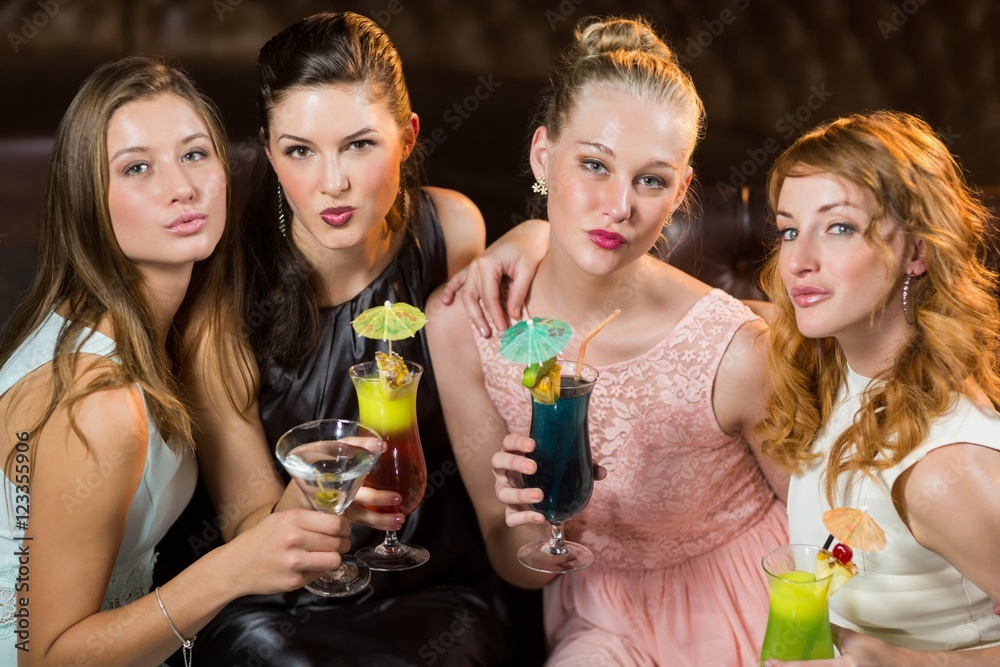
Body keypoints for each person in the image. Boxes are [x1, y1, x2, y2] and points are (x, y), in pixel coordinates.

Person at [180, 11, 547, 665]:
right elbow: (248, 530)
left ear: (407, 139)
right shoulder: (227, 297)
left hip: (436, 583)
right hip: (281, 601)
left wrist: (534, 234)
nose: (333, 183)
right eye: (300, 150)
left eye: (358, 144)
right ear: (269, 151)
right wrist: (323, 497)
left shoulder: (453, 234)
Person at [427, 16, 789, 666]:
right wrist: (534, 529)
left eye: (651, 180)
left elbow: (823, 524)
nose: (619, 205)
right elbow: (514, 564)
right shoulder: (464, 324)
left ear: (680, 190)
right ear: (544, 156)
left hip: (750, 602)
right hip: (598, 618)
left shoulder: (735, 352)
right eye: (594, 164)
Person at [0, 55, 357, 667]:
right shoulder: (98, 403)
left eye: (195, 154)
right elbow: (42, 659)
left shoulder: (183, 329)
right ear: (88, 198)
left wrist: (324, 493)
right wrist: (229, 573)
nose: (182, 187)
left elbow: (252, 518)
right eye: (137, 167)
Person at [756, 110, 1000, 665]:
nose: (797, 261)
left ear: (916, 251)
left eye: (839, 227)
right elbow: (703, 317)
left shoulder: (944, 472)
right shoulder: (837, 361)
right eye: (790, 229)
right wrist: (539, 238)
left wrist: (897, 658)